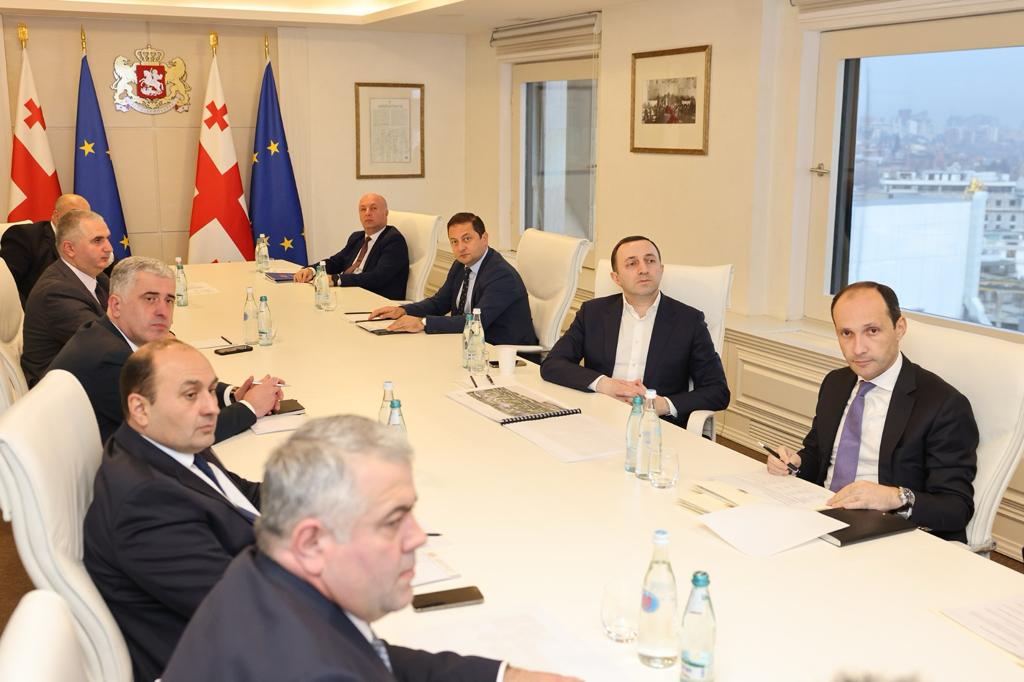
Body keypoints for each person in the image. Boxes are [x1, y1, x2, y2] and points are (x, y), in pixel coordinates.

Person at [162, 415, 579, 682]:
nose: (417, 537)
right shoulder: (317, 670)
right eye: (393, 521)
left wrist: (504, 676)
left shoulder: (260, 572)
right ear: (311, 542)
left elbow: (371, 655)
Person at [84, 339, 263, 682]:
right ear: (140, 408)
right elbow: (245, 606)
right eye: (190, 395)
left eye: (211, 390)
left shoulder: (170, 442)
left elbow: (244, 495)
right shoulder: (146, 503)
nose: (212, 408)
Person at [766, 281, 978, 542]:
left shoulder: (943, 404)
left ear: (899, 328)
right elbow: (818, 454)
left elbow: (956, 508)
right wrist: (796, 464)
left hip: (890, 533)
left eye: (872, 331)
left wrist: (894, 497)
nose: (858, 348)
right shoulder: (836, 383)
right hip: (822, 516)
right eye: (846, 333)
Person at [49, 256, 282, 444]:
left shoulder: (113, 336)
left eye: (169, 300)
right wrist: (250, 407)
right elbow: (177, 435)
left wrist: (232, 395)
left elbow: (172, 385)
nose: (163, 311)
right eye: (150, 299)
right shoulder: (110, 358)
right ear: (116, 305)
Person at [540, 236, 729, 428]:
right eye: (632, 263)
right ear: (616, 278)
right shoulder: (593, 313)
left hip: (656, 426)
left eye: (650, 261)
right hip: (598, 417)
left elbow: (718, 391)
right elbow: (553, 364)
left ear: (661, 269)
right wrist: (604, 384)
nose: (643, 269)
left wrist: (663, 404)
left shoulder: (689, 321)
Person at [370, 212, 538, 346]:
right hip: (469, 345)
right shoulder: (460, 265)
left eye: (467, 239)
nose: (460, 247)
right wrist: (403, 310)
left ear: (484, 238)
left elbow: (475, 323)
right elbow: (439, 303)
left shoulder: (501, 275)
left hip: (505, 354)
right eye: (454, 242)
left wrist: (423, 322)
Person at [20, 209, 111, 387]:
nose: (108, 247)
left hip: (88, 373)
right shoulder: (55, 291)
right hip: (60, 390)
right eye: (97, 240)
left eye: (107, 238)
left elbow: (125, 316)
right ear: (69, 249)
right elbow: (103, 343)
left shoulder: (98, 277)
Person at [293, 193, 409, 300]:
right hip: (349, 294)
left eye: (373, 208)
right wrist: (312, 270)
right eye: (363, 209)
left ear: (386, 213)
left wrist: (336, 279)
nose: (367, 213)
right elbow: (336, 262)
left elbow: (378, 277)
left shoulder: (394, 240)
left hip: (375, 300)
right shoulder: (357, 237)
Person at [0, 193, 89, 306]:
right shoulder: (25, 236)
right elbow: (8, 282)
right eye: (75, 214)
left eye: (86, 217)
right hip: (41, 308)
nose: (81, 221)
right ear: (56, 215)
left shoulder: (87, 240)